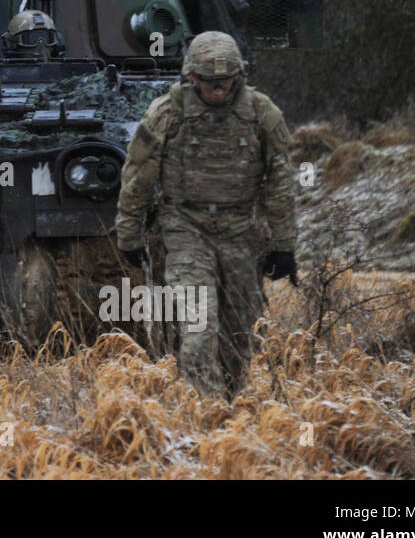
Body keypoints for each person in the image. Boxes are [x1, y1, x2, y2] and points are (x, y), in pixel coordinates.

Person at [113, 31, 297, 399]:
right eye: (210, 82)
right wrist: (129, 233)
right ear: (192, 77)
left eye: (225, 82)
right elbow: (138, 175)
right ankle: (204, 415)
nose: (218, 90)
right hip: (186, 230)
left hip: (240, 231)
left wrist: (284, 244)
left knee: (241, 334)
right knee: (198, 328)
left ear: (238, 77)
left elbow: (280, 180)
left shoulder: (261, 113)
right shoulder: (167, 113)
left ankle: (230, 410)